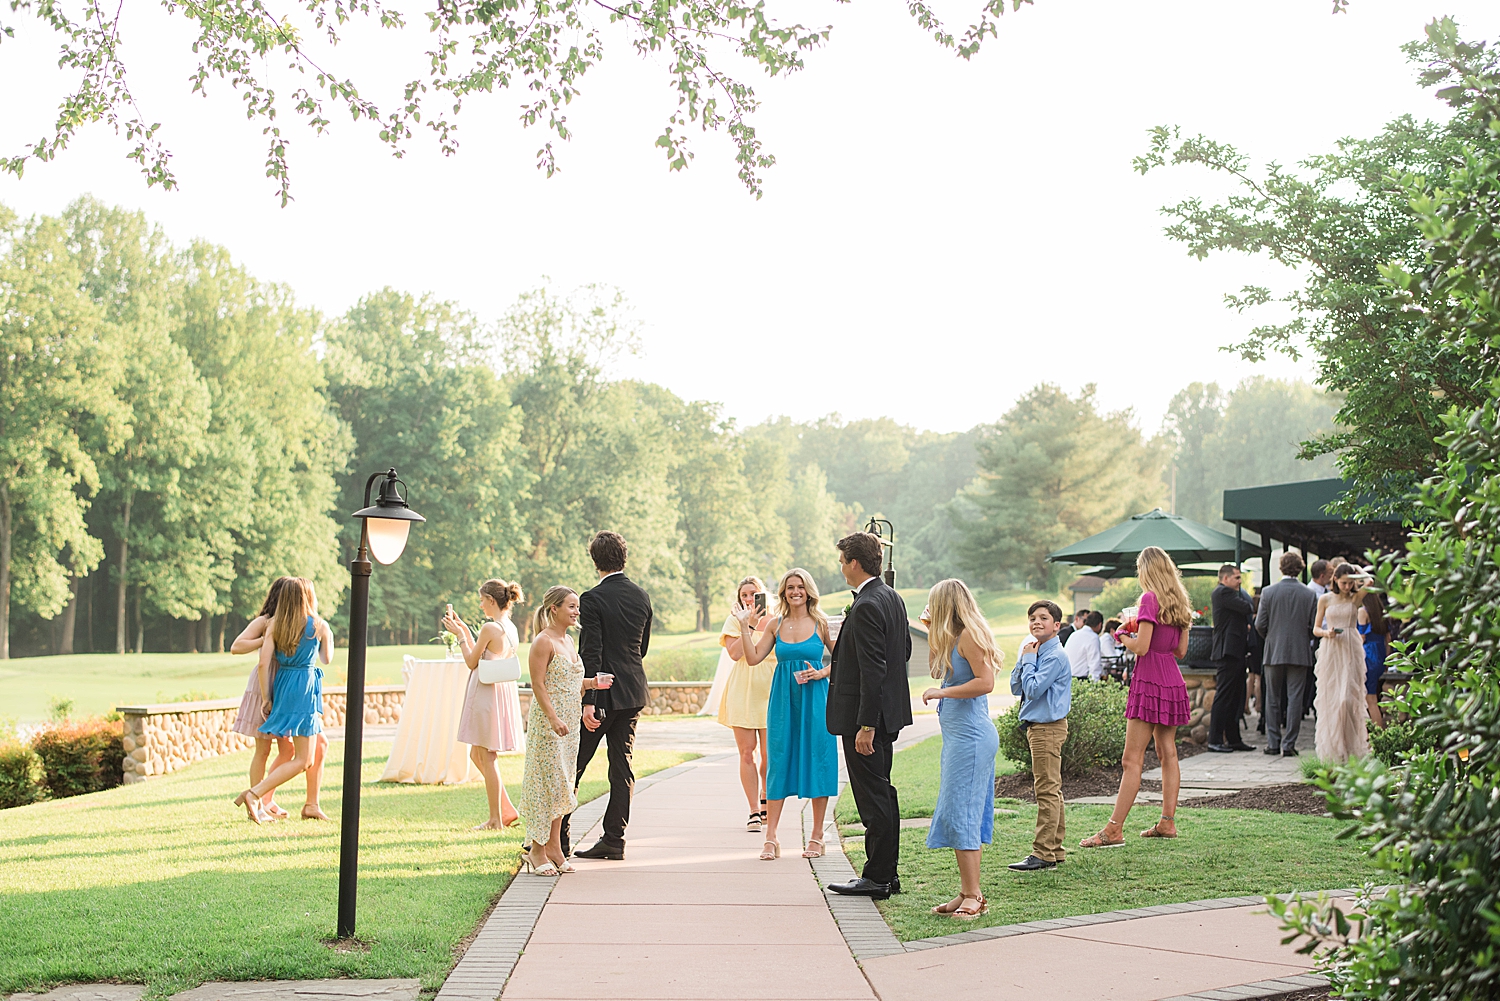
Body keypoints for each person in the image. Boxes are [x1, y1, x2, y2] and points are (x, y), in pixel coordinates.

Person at [1080, 546, 1192, 849]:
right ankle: (1167, 822)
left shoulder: (1149, 599)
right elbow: (1180, 652)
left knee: (1131, 759)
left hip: (1149, 679)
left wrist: (1121, 635)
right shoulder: (1180, 602)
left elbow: (1141, 647)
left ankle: (1113, 830)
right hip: (1172, 680)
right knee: (1168, 751)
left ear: (1146, 570)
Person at [825, 532, 913, 899]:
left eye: (843, 560)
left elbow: (873, 669)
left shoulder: (866, 605)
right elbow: (904, 651)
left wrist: (865, 725)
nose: (841, 567)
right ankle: (886, 874)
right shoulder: (891, 598)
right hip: (886, 715)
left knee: (872, 796)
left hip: (868, 721)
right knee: (883, 792)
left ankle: (877, 877)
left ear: (855, 563)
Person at [736, 568, 839, 861]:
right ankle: (771, 838)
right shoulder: (774, 625)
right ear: (783, 592)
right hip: (782, 702)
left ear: (809, 591)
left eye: (801, 587)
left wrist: (821, 672)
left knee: (818, 760)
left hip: (815, 700)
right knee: (778, 762)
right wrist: (745, 627)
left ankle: (817, 836)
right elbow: (754, 658)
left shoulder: (821, 623)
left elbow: (843, 658)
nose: (796, 591)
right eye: (791, 587)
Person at [563, 531, 654, 861]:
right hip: (633, 690)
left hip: (602, 694)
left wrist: (589, 702)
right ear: (624, 557)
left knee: (574, 764)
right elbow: (641, 648)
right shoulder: (642, 596)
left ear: (594, 560)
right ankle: (614, 839)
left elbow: (592, 650)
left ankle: (559, 838)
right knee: (621, 768)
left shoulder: (592, 598)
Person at [520, 586, 614, 875]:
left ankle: (554, 848)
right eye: (571, 606)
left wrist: (591, 684)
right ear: (554, 609)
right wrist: (552, 718)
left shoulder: (569, 641)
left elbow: (571, 683)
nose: (576, 611)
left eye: (577, 607)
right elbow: (538, 685)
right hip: (549, 725)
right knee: (546, 784)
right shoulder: (542, 642)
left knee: (564, 784)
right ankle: (536, 851)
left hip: (570, 725)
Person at [920, 579, 1000, 918]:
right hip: (959, 739)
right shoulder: (954, 637)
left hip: (971, 738)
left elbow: (986, 683)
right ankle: (967, 891)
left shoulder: (969, 635)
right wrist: (930, 633)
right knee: (960, 812)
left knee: (963, 813)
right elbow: (938, 669)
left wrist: (943, 694)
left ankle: (974, 896)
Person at [233, 578, 334, 824]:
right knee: (298, 757)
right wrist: (326, 633)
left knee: (314, 747)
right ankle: (256, 795)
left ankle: (309, 804)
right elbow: (327, 658)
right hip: (297, 690)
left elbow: (264, 662)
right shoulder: (312, 625)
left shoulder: (276, 625)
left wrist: (268, 698)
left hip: (281, 687)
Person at [442, 578, 525, 831]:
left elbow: (470, 660)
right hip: (498, 691)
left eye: (482, 600)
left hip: (486, 693)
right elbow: (483, 651)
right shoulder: (508, 626)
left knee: (486, 756)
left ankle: (495, 819)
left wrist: (459, 636)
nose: (480, 605)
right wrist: (465, 631)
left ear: (491, 600)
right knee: (477, 754)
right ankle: (506, 811)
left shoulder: (491, 628)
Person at [1008, 599, 1072, 870]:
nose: (1036, 621)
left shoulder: (1054, 655)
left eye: (1043, 618)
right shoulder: (1036, 651)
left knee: (1046, 789)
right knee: (1051, 789)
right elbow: (1015, 686)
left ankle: (1043, 852)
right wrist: (1025, 658)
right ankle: (1054, 849)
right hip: (1039, 727)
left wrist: (1029, 659)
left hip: (1047, 728)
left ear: (1056, 626)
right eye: (1033, 617)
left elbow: (1032, 689)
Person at [229, 577, 296, 821]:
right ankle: (256, 806)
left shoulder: (290, 622)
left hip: (284, 686)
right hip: (263, 684)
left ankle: (264, 796)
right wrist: (267, 639)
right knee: (263, 748)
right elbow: (236, 646)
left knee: (288, 749)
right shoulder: (265, 621)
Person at [717, 576, 775, 833]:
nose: (749, 599)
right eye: (745, 595)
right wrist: (748, 625)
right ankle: (753, 809)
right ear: (739, 598)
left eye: (754, 594)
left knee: (769, 754)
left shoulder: (776, 618)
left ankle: (766, 799)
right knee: (746, 751)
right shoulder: (734, 621)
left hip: (771, 690)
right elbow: (735, 653)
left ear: (763, 594)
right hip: (744, 689)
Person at [1255, 552, 1318, 757]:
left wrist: (1272, 637)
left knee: (1272, 698)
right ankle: (1289, 744)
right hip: (1300, 651)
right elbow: (1313, 625)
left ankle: (1273, 743)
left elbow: (1259, 624)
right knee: (1295, 699)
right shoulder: (1309, 594)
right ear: (1300, 568)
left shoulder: (1268, 592)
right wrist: (1302, 637)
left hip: (1274, 650)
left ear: (1281, 567)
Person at [1312, 565, 1373, 763]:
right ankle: (1334, 752)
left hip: (1350, 648)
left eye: (1350, 582)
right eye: (1343, 582)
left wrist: (1357, 570)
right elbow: (1315, 628)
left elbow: (1370, 581)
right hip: (1331, 647)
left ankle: (1350, 747)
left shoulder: (1355, 598)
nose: (1347, 586)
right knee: (1332, 699)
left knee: (1347, 700)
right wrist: (1326, 633)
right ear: (1335, 580)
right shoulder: (1325, 599)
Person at [1207, 564, 1255, 752]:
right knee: (1224, 696)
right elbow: (1247, 607)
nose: (1240, 581)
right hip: (1227, 652)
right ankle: (1215, 740)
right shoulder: (1223, 593)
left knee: (1236, 697)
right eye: (1236, 578)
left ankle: (1234, 739)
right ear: (1225, 578)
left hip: (1235, 651)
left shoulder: (1228, 594)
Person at [1361, 589, 1389, 728]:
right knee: (1373, 695)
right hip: (1380, 654)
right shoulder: (1381, 612)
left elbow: (1361, 637)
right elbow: (1388, 638)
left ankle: (1376, 733)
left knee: (1370, 698)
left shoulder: (1363, 612)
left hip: (1367, 655)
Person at [1065, 610, 1104, 681]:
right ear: (1100, 625)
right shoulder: (1093, 637)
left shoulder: (1074, 634)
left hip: (1066, 678)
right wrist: (1095, 686)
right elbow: (1094, 666)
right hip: (1081, 680)